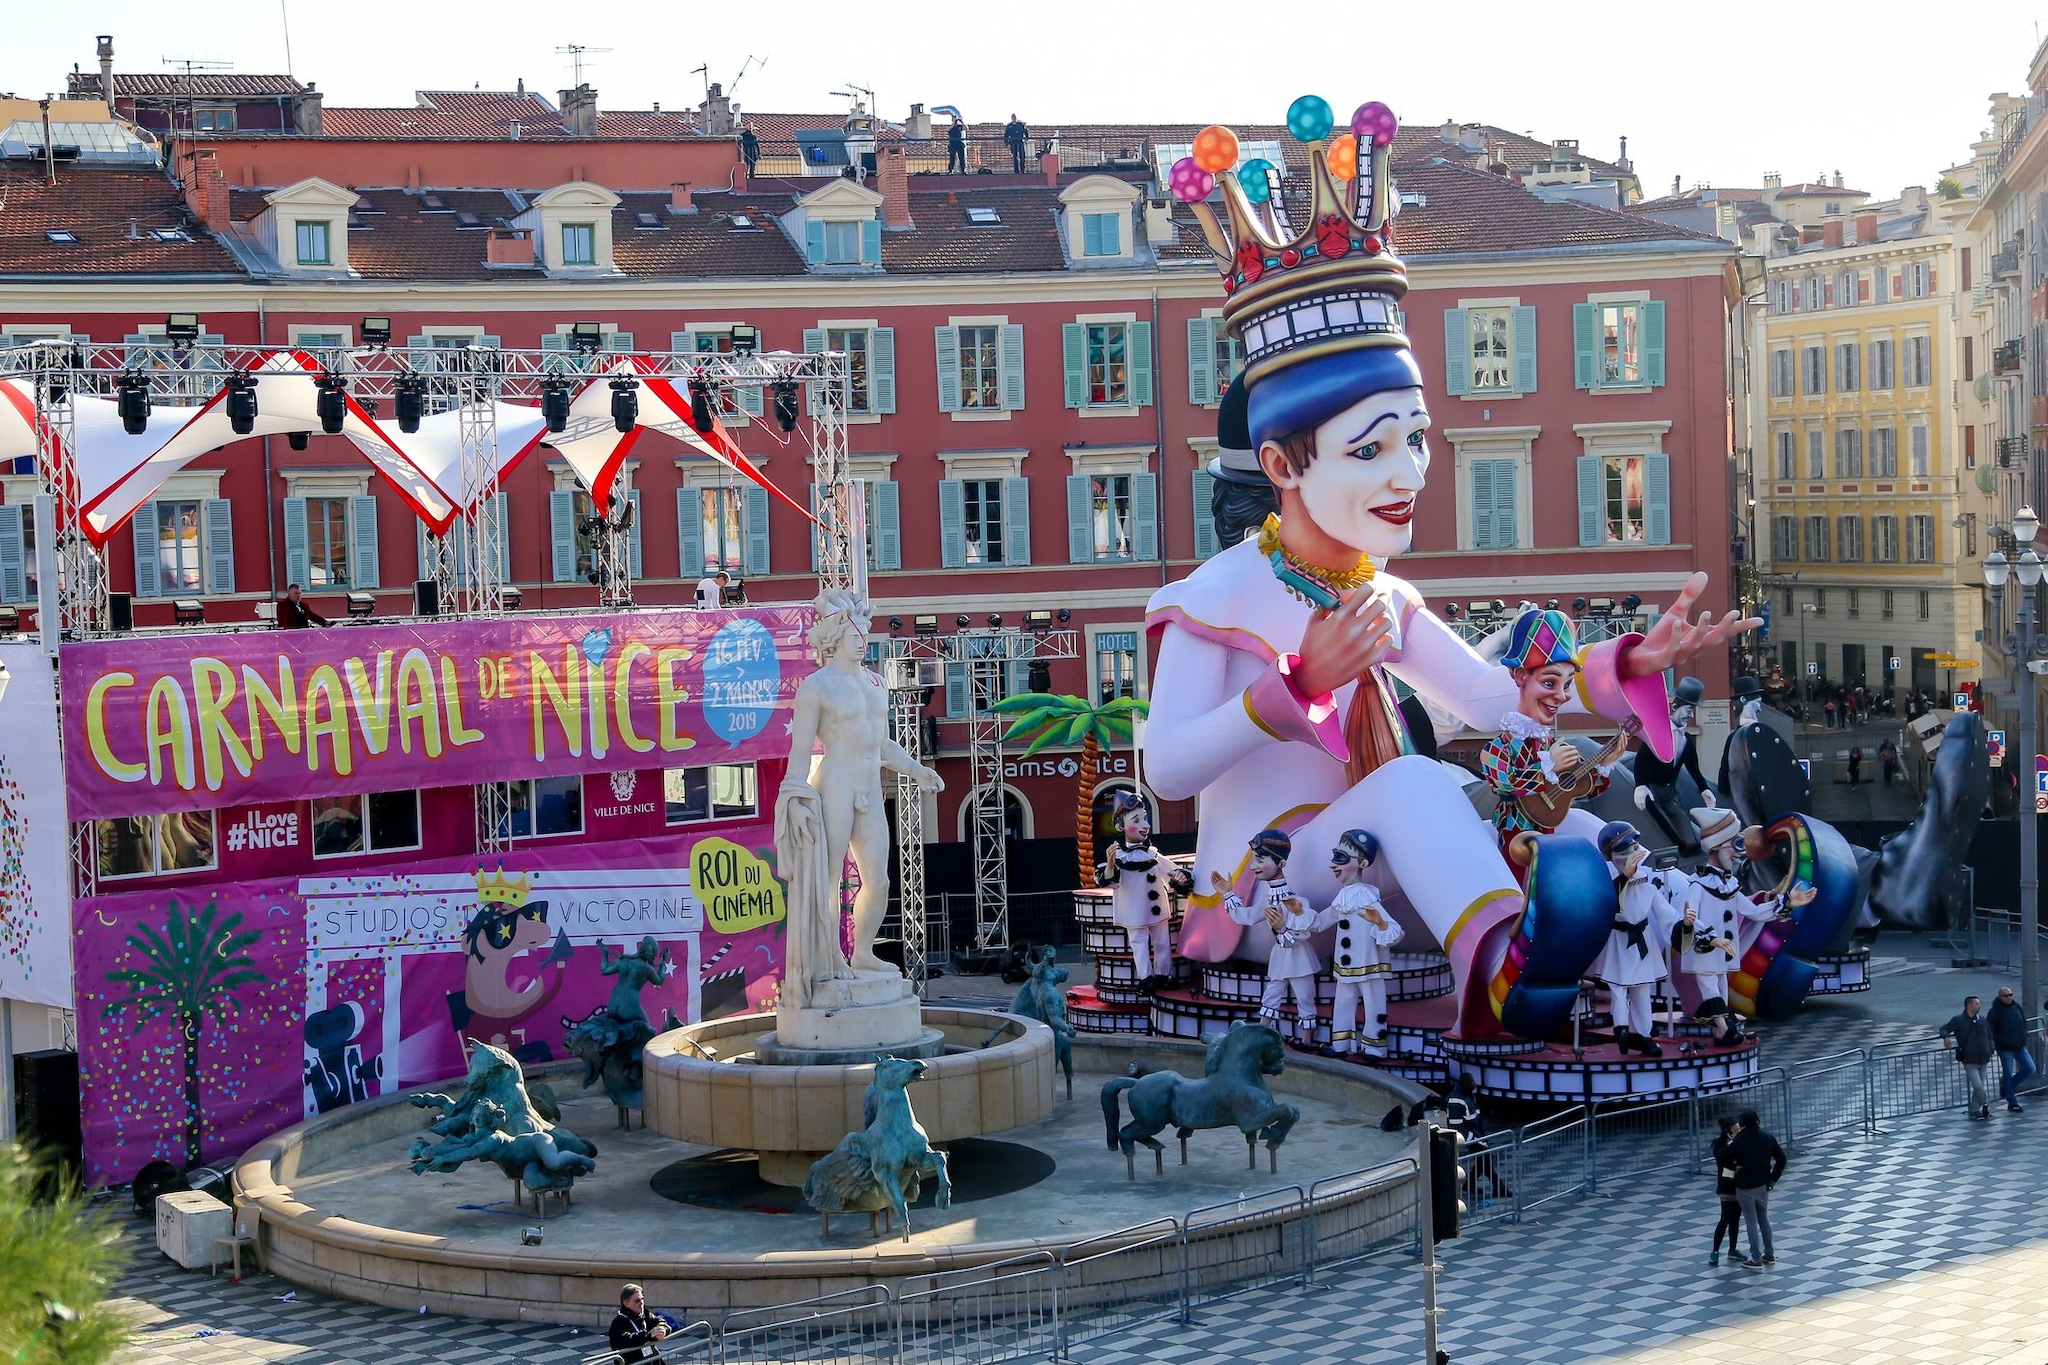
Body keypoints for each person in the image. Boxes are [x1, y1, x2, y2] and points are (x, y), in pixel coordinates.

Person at [1141, 108, 1747, 1046]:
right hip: (1269, 892)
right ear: (1283, 465)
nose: (1411, 472)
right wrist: (1296, 686)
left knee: (1567, 827)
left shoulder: (1386, 598)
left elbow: (1491, 698)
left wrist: (1620, 664)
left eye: (1416, 438)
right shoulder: (1212, 596)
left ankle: (1702, 956)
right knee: (1420, 785)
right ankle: (1504, 968)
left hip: (1378, 881)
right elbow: (1166, 767)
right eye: (1372, 448)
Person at [776, 591, 943, 989]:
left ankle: (863, 951)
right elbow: (800, 750)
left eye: (864, 634)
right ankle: (829, 955)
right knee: (829, 878)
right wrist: (794, 796)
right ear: (835, 638)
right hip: (836, 782)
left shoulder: (876, 683)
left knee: (879, 880)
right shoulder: (816, 687)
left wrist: (916, 769)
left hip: (869, 784)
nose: (862, 641)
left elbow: (882, 744)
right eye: (854, 634)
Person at [1477, 608, 1621, 846]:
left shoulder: (1552, 744)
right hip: (1516, 836)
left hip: (1549, 834)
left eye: (1567, 684)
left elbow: (1584, 788)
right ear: (1521, 676)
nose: (1562, 696)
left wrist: (1605, 763)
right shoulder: (1498, 748)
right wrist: (1546, 767)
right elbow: (1505, 784)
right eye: (1549, 682)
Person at [1213, 829, 1319, 1046]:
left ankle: (1307, 1040)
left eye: (1260, 860)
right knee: (1272, 995)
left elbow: (1303, 932)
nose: (1254, 866)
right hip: (1281, 955)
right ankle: (1261, 1032)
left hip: (1299, 957)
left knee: (1304, 998)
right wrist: (1228, 894)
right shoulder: (1271, 898)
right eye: (1255, 859)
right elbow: (1248, 916)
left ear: (1281, 863)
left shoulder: (1295, 900)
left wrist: (1282, 929)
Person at [1316, 828, 1402, 1061]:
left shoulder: (1366, 897)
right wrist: (1295, 914)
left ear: (1362, 863)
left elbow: (1395, 931)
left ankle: (1374, 1047)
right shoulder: (1343, 897)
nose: (1333, 864)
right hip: (1346, 966)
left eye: (1341, 858)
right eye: (1335, 856)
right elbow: (1320, 922)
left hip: (1369, 963)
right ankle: (1340, 1044)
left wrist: (1379, 922)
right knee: (1343, 1003)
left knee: (1374, 1005)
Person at [1596, 821, 1681, 1056]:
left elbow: (1666, 914)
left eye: (1634, 849)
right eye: (1624, 852)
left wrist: (1686, 926)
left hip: (1643, 941)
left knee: (1642, 990)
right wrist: (1624, 877)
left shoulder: (1647, 884)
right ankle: (1621, 1029)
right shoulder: (1608, 882)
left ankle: (1643, 1035)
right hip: (1618, 940)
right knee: (1618, 988)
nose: (1632, 856)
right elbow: (1610, 905)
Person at [1096, 792, 1191, 989]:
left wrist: (1180, 876)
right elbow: (1111, 882)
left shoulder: (1152, 854)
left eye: (1145, 818)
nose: (1145, 825)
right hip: (1134, 910)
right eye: (1136, 820)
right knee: (1139, 944)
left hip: (1157, 909)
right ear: (1120, 826)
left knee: (1162, 942)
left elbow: (1170, 871)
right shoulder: (1119, 857)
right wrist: (1110, 866)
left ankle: (1163, 975)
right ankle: (1146, 978)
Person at [1727, 1108, 1785, 1268]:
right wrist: (1773, 1179)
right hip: (1763, 1184)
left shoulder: (1740, 1140)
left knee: (1750, 1221)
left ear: (1742, 1124)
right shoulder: (1767, 1138)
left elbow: (1723, 1155)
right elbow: (1782, 1159)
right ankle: (1769, 1253)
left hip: (1745, 1186)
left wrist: (1733, 1167)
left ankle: (1755, 1258)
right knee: (1763, 1219)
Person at [1940, 994, 1996, 1120]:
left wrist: (1991, 1049)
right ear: (1969, 1005)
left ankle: (1974, 1110)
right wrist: (1946, 1037)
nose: (1979, 1006)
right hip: (1969, 1059)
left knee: (1979, 1087)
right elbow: (1944, 1029)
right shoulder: (1958, 1020)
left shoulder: (1982, 1020)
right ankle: (1985, 1104)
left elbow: (1989, 1035)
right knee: (1978, 1086)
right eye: (1977, 1004)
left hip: (1984, 1058)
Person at [1988, 985, 2034, 1112]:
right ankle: (2012, 1102)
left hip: (2019, 1046)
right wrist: (2002, 1041)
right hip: (2005, 1048)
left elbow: (2023, 1022)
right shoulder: (1994, 1012)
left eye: (2010, 995)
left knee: (2030, 1068)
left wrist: (2024, 1035)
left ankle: (2007, 1088)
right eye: (2005, 996)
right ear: (2000, 997)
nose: (2009, 997)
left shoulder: (2016, 1007)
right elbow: (1990, 1031)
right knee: (2007, 1073)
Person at [1707, 1114, 1742, 1267]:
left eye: (1739, 1129)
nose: (1738, 1133)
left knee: (1735, 1218)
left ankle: (1732, 1248)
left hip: (1739, 1185)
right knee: (1725, 1218)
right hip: (1726, 1185)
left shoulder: (1740, 1142)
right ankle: (1715, 1251)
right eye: (1735, 1131)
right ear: (1728, 1132)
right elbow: (1723, 1160)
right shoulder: (1720, 1145)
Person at [608, 1283, 669, 1362]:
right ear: (626, 1303)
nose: (641, 1303)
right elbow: (629, 1340)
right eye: (637, 1301)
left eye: (642, 1299)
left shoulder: (645, 1314)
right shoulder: (618, 1322)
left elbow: (661, 1322)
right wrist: (649, 1335)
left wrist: (662, 1329)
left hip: (653, 1360)